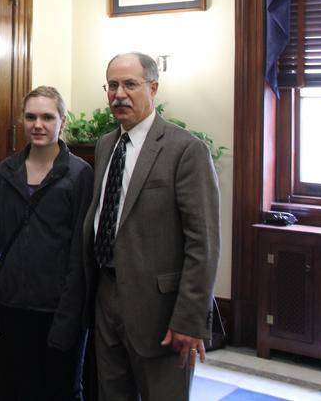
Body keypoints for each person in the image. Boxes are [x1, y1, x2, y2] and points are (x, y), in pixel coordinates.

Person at [84, 52, 220, 401]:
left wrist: (190, 320)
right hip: (106, 295)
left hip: (160, 310)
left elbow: (202, 244)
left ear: (153, 87)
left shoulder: (186, 150)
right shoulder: (105, 145)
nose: (119, 94)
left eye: (130, 84)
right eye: (112, 85)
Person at [0, 86, 92, 400]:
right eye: (30, 117)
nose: (37, 124)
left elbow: (80, 255)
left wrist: (70, 316)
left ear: (62, 121)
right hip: (12, 307)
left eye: (47, 117)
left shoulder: (79, 175)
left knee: (61, 389)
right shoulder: (7, 170)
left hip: (59, 309)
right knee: (17, 388)